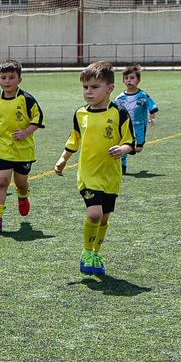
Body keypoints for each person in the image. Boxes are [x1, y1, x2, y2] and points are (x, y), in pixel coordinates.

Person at [53, 61, 138, 277]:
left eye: (94, 87)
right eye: (85, 87)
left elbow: (131, 141)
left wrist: (123, 149)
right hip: (88, 174)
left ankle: (95, 252)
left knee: (104, 217)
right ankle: (86, 251)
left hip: (110, 176)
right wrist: (63, 158)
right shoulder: (80, 114)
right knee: (94, 213)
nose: (88, 92)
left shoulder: (119, 113)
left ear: (109, 88)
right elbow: (74, 139)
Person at [0, 59, 44, 236]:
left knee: (21, 183)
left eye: (12, 77)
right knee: (1, 182)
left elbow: (38, 119)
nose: (7, 81)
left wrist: (26, 132)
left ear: (19, 79)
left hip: (23, 151)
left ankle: (23, 195)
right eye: (3, 77)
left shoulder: (26, 99)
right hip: (3, 149)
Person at [114, 64, 156, 175]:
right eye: (126, 78)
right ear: (123, 80)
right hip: (125, 126)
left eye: (132, 78)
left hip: (140, 125)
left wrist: (152, 118)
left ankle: (130, 148)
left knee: (138, 148)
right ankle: (122, 164)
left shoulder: (142, 95)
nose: (129, 80)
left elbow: (152, 107)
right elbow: (113, 110)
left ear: (138, 80)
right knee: (123, 144)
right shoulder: (120, 98)